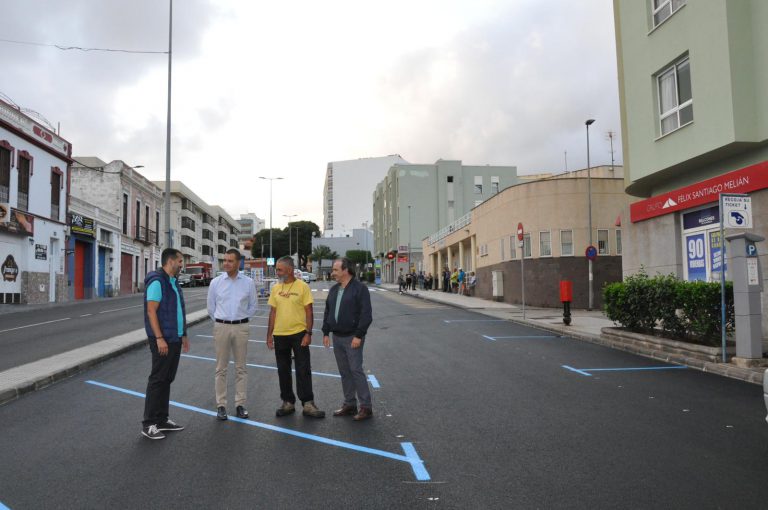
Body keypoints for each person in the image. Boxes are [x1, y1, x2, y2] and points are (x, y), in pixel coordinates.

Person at [266, 256, 325, 418]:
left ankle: (308, 404)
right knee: (283, 370)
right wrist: (269, 335)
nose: (277, 272)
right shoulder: (276, 288)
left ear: (290, 270)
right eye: (277, 269)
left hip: (299, 334)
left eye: (279, 269)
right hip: (280, 335)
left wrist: (308, 333)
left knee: (303, 369)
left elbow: (309, 311)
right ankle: (288, 402)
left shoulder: (302, 287)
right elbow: (273, 312)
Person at [141, 248, 189, 440]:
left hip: (174, 338)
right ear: (170, 261)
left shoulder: (173, 282)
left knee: (167, 379)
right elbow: (151, 311)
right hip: (162, 339)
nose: (181, 265)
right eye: (180, 261)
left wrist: (183, 334)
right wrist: (159, 338)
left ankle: (162, 419)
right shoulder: (157, 282)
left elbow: (178, 309)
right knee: (158, 379)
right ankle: (149, 423)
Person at [207, 248, 257, 421]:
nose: (226, 263)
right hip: (221, 327)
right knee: (221, 368)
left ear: (238, 263)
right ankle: (221, 406)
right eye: (225, 260)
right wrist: (222, 322)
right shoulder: (216, 282)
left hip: (241, 327)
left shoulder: (248, 283)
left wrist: (240, 320)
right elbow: (211, 308)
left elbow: (253, 306)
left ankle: (240, 404)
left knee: (241, 368)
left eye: (230, 261)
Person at [322, 258, 374, 421]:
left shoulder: (360, 289)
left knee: (356, 370)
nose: (333, 273)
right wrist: (325, 332)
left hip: (353, 337)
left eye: (335, 270)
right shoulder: (334, 290)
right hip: (337, 336)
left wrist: (359, 335)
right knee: (344, 372)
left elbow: (366, 315)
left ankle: (366, 407)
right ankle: (350, 404)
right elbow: (328, 311)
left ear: (346, 271)